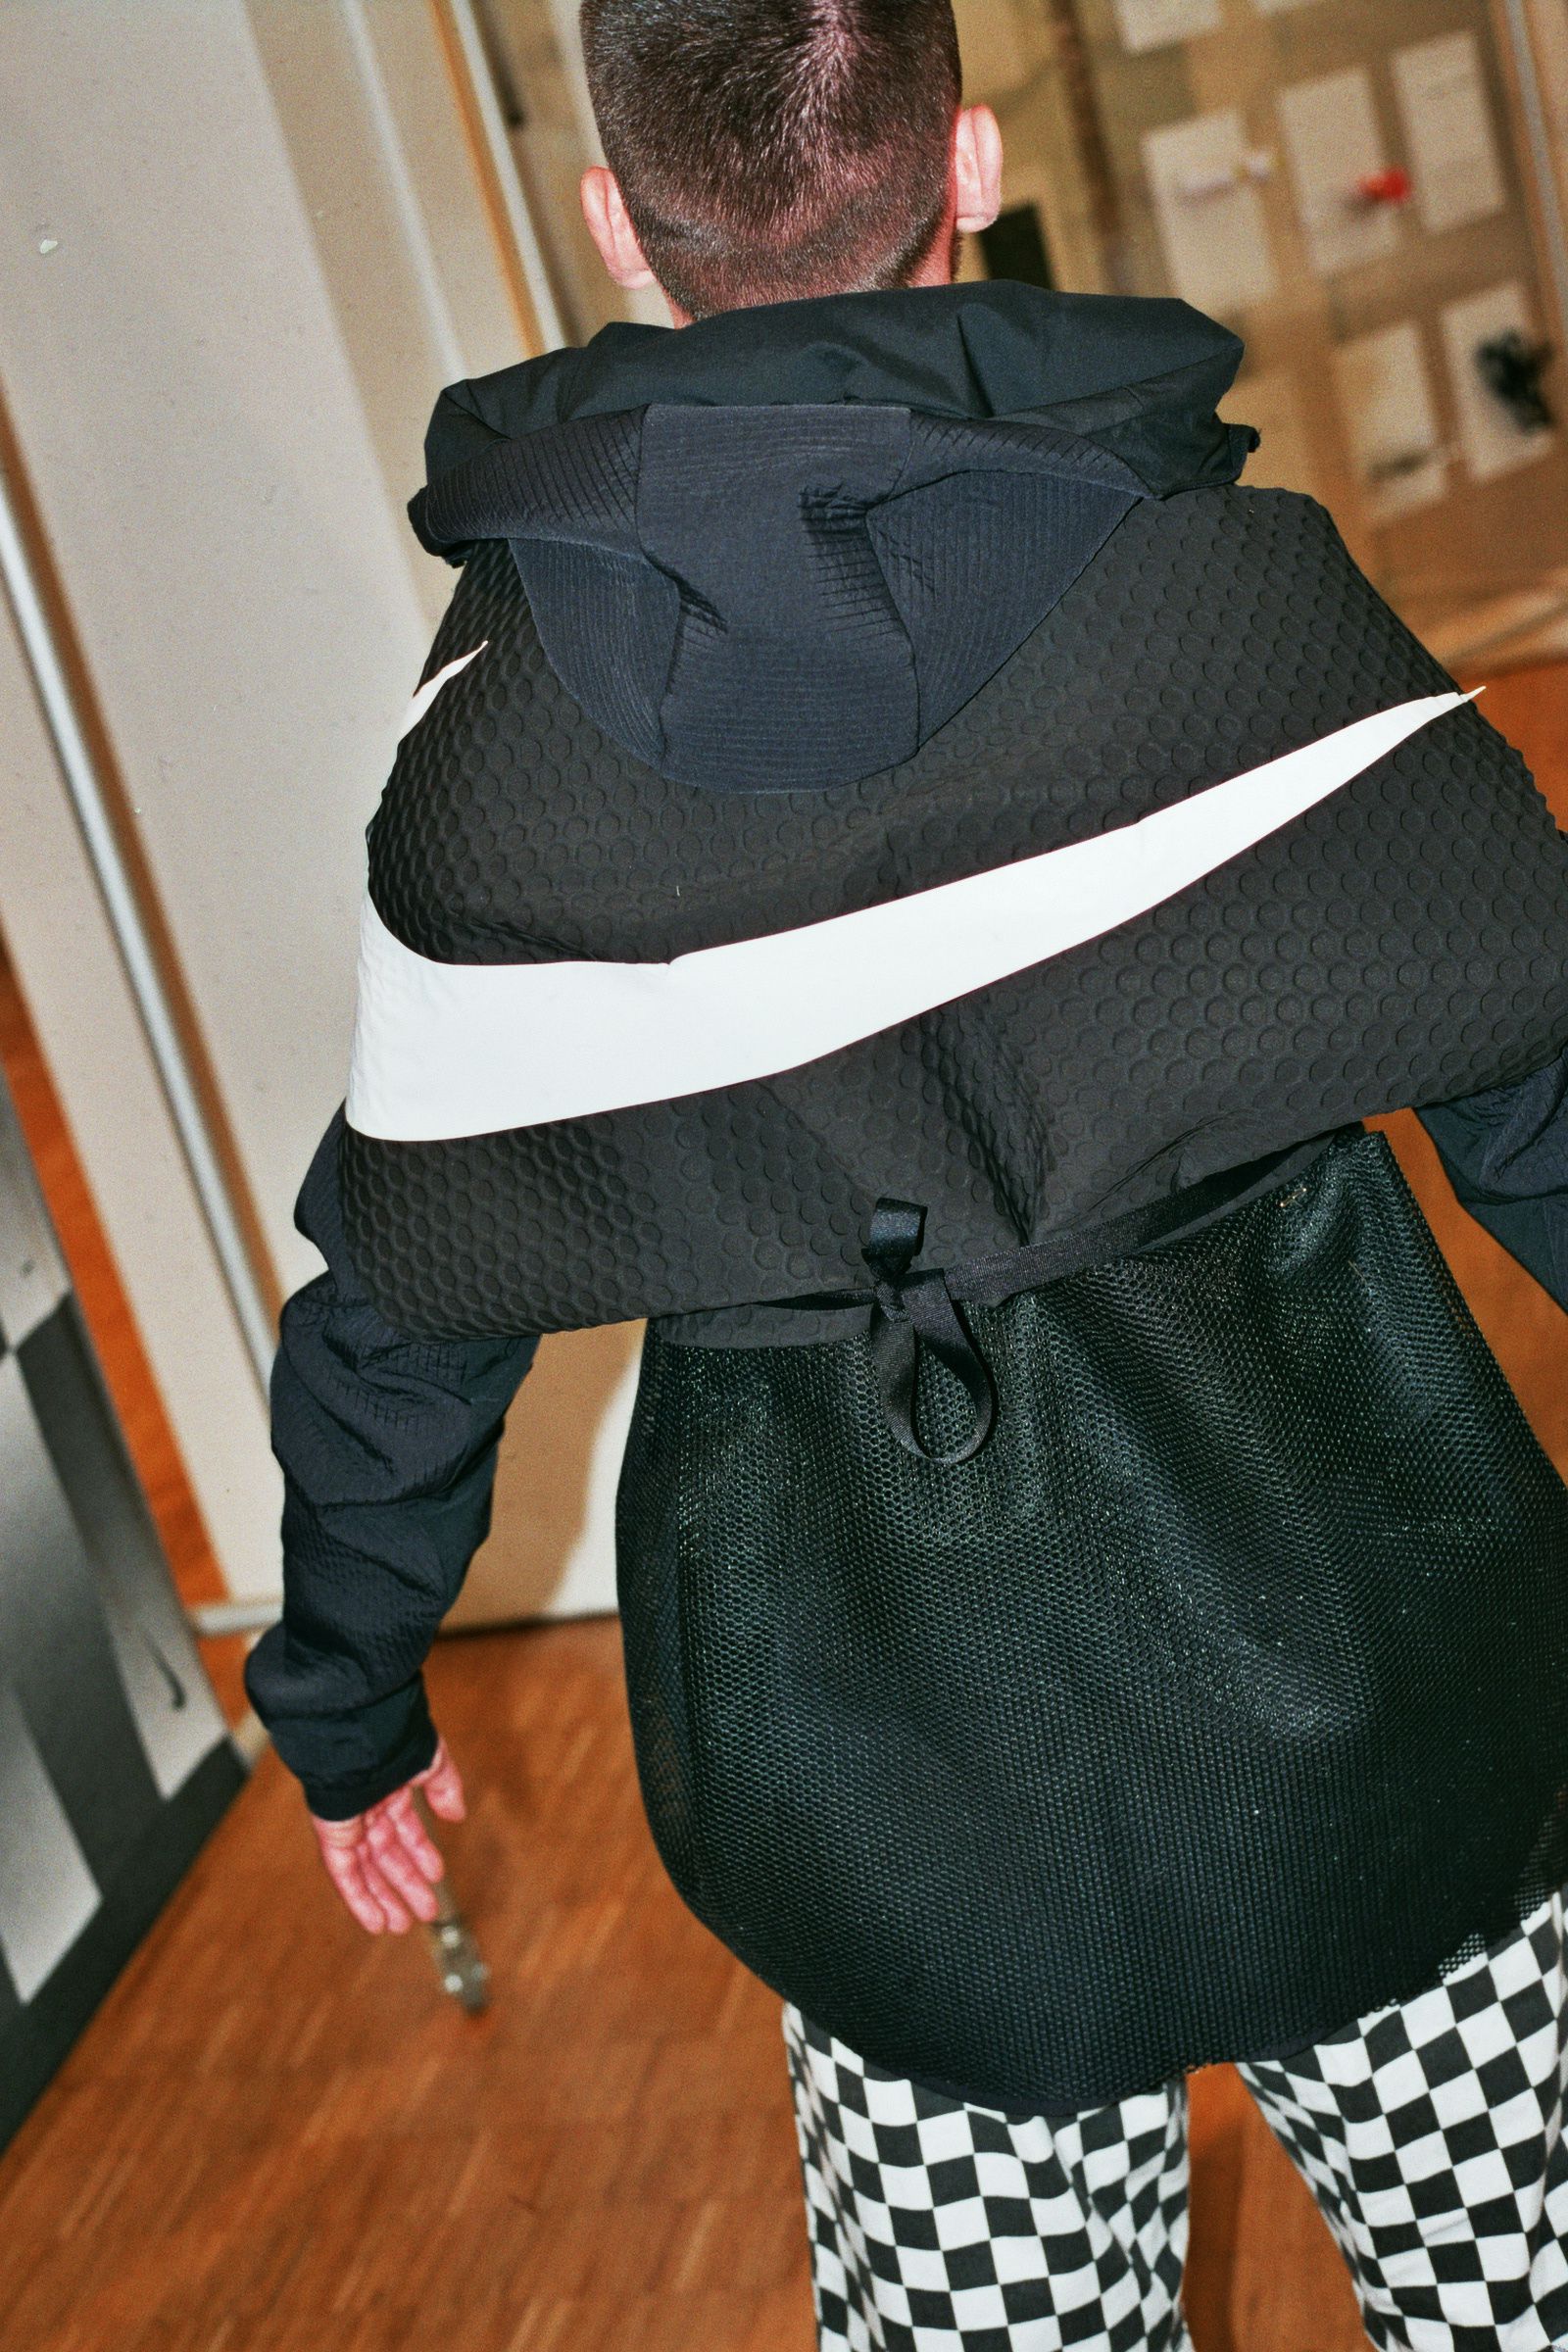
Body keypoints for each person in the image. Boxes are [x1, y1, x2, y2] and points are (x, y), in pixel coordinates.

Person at [246, 4, 1568, 2345]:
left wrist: (350, 1694)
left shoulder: (497, 752)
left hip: (890, 1783)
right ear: (963, 161)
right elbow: (1531, 1083)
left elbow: (402, 1314)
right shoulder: (1228, 601)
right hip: (1373, 1662)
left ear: (611, 220)